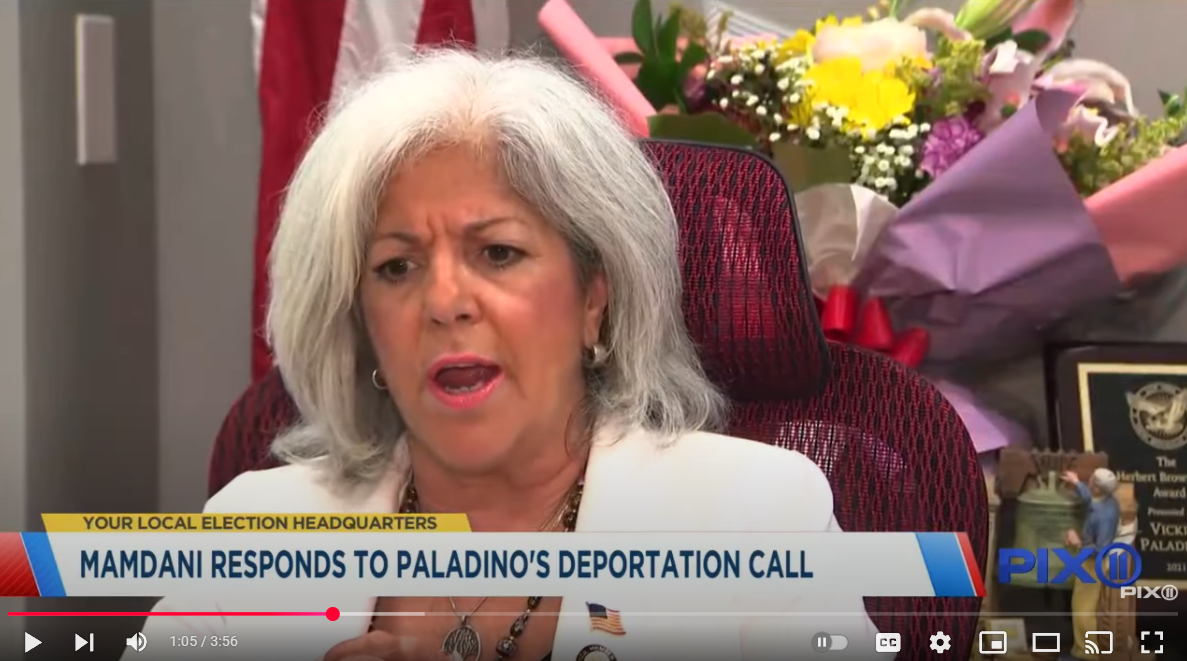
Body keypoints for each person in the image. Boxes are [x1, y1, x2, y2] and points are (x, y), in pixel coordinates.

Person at [133, 51, 880, 660]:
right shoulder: (254, 530)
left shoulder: (761, 519)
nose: (443, 301)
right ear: (361, 326)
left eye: (497, 252)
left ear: (594, 296)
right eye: (396, 266)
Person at [1061, 468, 1121, 661]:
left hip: (1093, 564)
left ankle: (1086, 655)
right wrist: (1076, 482)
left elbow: (1101, 548)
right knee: (1080, 607)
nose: (1090, 482)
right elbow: (1090, 500)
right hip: (1088, 560)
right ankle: (1081, 651)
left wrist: (1078, 542)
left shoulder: (1105, 515)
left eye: (1091, 481)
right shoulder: (1107, 500)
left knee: (1083, 611)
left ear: (1096, 488)